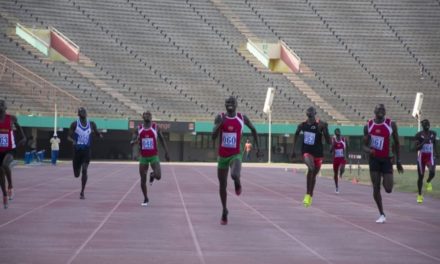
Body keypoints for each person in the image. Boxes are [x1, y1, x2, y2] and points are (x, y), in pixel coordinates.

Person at [212, 96, 262, 225]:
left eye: (232, 103)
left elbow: (254, 130)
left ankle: (237, 182)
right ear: (225, 104)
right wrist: (219, 124)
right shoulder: (220, 117)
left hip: (235, 154)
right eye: (227, 102)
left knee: (234, 174)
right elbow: (213, 136)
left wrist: (257, 147)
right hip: (222, 156)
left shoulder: (242, 118)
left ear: (236, 105)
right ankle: (224, 210)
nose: (229, 104)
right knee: (222, 185)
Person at [363, 104, 404, 223]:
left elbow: (397, 143)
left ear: (385, 112)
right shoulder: (368, 126)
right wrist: (369, 150)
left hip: (387, 159)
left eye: (383, 109)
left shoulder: (391, 124)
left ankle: (385, 177)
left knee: (388, 188)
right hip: (374, 160)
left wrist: (399, 161)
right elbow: (364, 145)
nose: (380, 111)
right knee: (376, 187)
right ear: (374, 111)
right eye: (378, 109)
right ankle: (381, 213)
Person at [291, 106, 330, 208]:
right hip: (306, 152)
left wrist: (326, 129)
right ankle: (307, 194)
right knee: (311, 168)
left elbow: (329, 141)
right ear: (306, 113)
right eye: (308, 110)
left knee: (313, 175)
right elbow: (295, 135)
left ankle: (310, 195)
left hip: (318, 154)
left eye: (312, 110)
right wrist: (293, 150)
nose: (309, 112)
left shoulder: (320, 125)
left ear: (315, 113)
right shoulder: (302, 125)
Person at [131, 111, 170, 206]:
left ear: (151, 117)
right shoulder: (138, 129)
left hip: (153, 156)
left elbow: (162, 140)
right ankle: (145, 198)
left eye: (149, 114)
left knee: (158, 176)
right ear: (142, 116)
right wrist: (134, 151)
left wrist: (167, 152)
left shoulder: (155, 128)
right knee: (143, 179)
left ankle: (152, 175)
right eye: (145, 114)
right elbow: (132, 142)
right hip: (143, 157)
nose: (147, 115)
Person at [68, 107, 103, 200]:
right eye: (81, 112)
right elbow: (68, 136)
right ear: (78, 114)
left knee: (84, 170)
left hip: (86, 151)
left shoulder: (91, 124)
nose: (83, 113)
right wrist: (73, 141)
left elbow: (96, 133)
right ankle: (77, 167)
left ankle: (82, 192)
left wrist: (99, 135)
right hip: (77, 151)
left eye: (84, 111)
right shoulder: (74, 124)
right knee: (76, 174)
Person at [0, 100, 26, 209]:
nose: (0, 106)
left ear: (6, 107)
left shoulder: (11, 118)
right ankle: (5, 195)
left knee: (5, 165)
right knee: (0, 173)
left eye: (2, 104)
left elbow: (20, 130)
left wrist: (23, 138)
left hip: (10, 149)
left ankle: (10, 185)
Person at [414, 119, 438, 204]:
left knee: (432, 172)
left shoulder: (433, 133)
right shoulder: (418, 135)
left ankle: (428, 181)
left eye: (428, 123)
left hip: (430, 156)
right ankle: (420, 195)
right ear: (422, 126)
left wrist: (436, 153)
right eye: (425, 124)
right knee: (420, 177)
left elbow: (434, 143)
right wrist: (423, 142)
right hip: (422, 157)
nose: (427, 125)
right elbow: (416, 148)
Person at [330, 128, 347, 194]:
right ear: (335, 134)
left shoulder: (343, 139)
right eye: (336, 133)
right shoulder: (333, 140)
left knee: (342, 168)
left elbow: (345, 149)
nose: (338, 134)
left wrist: (346, 156)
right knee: (335, 173)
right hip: (336, 158)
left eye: (338, 132)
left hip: (342, 157)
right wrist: (333, 144)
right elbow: (331, 150)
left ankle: (341, 174)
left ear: (340, 132)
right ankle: (336, 187)